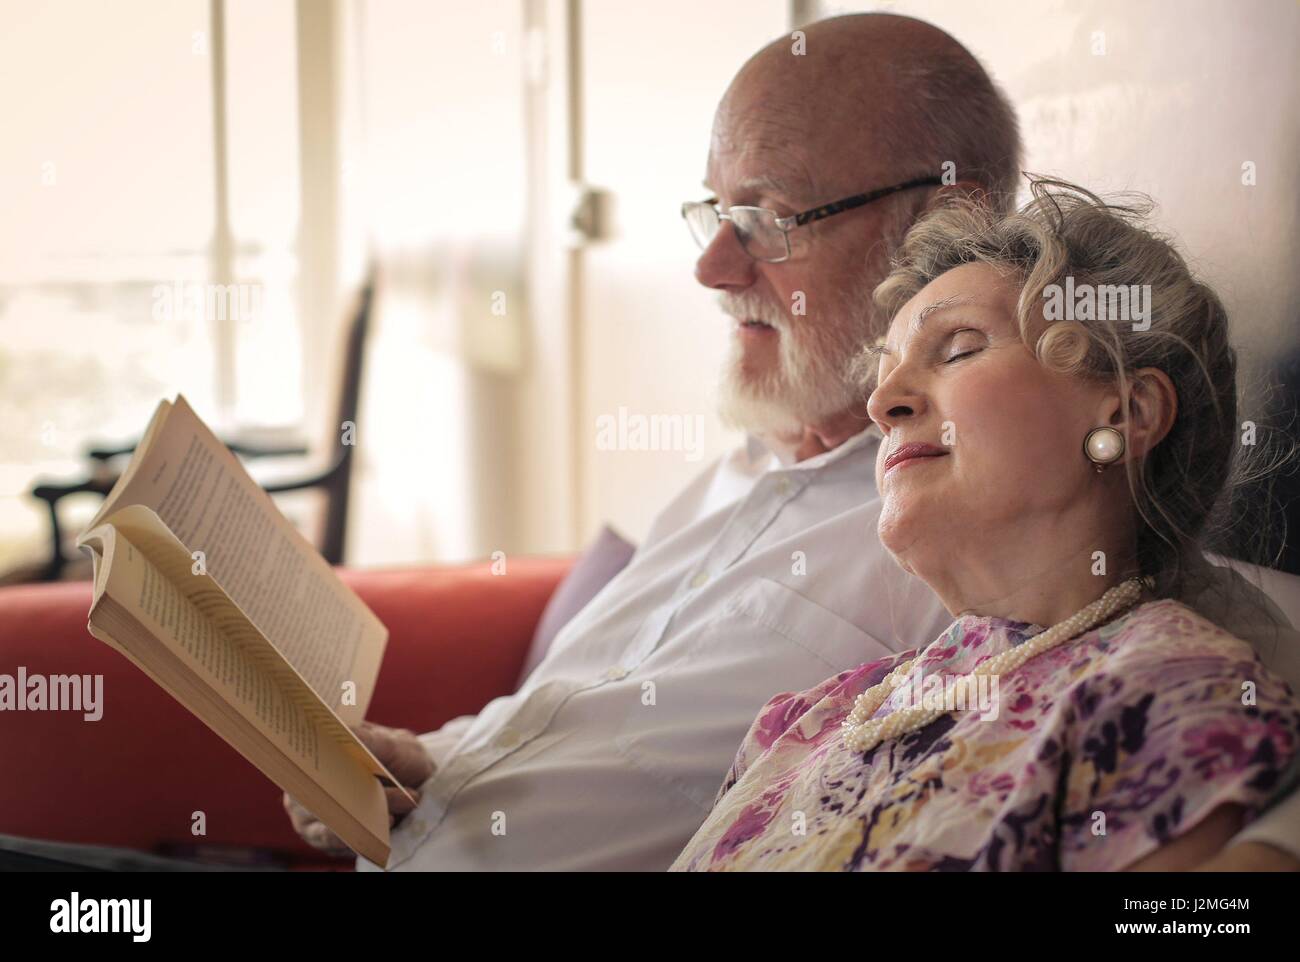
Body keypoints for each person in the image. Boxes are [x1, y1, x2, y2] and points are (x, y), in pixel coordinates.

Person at [286, 15, 1300, 871]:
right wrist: (436, 757)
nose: (713, 267)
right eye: (714, 213)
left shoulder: (1158, 674)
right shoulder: (810, 710)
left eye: (767, 217)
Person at [670, 180, 1300, 871]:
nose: (882, 402)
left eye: (960, 348)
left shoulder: (1171, 690)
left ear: (1126, 414)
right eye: (885, 370)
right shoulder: (799, 721)